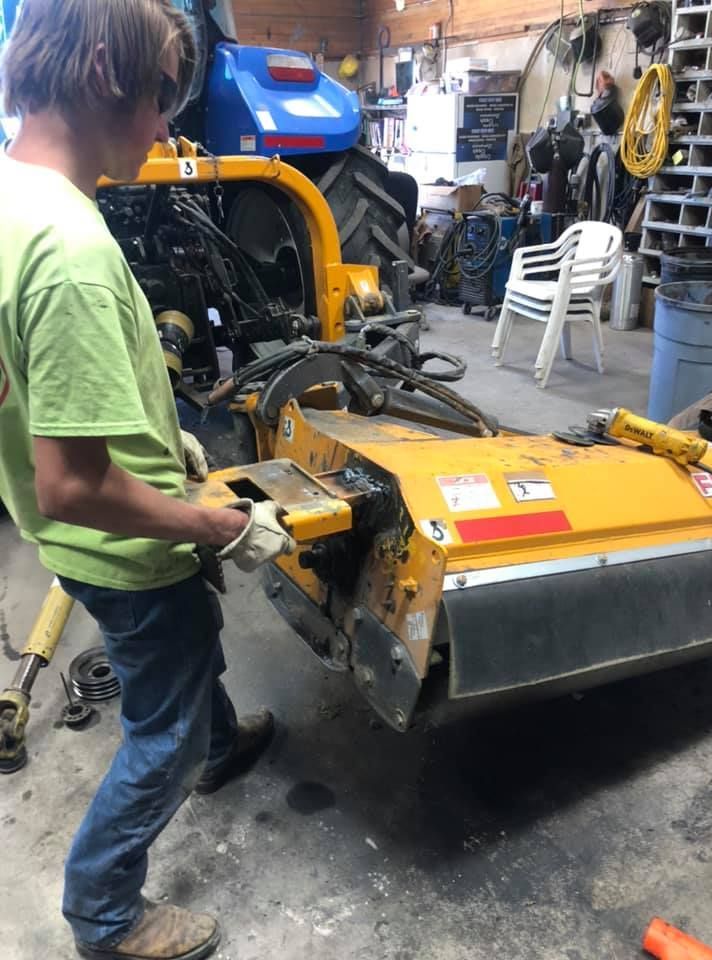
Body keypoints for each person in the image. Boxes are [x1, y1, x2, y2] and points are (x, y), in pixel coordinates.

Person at [0, 2, 295, 958]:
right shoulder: (72, 252)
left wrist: (167, 440)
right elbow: (74, 487)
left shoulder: (13, 202)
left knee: (185, 661)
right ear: (100, 70)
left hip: (77, 547)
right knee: (157, 720)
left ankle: (215, 748)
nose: (168, 124)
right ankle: (105, 912)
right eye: (164, 94)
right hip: (122, 550)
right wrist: (211, 525)